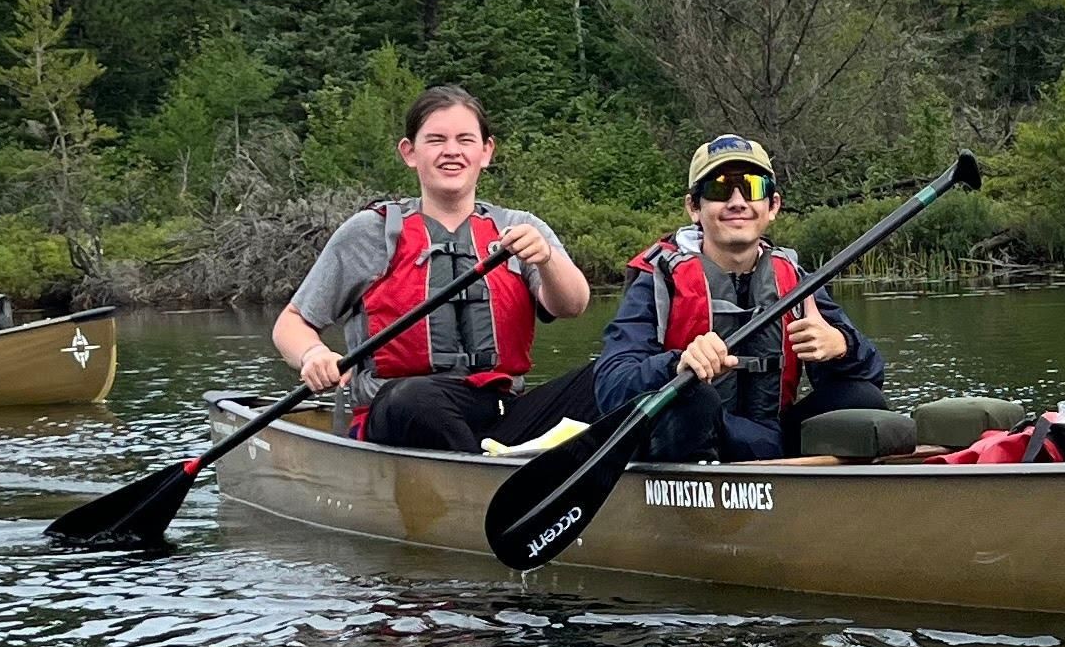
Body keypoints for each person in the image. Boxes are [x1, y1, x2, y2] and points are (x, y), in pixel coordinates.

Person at [274, 84, 598, 451]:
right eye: (436, 140)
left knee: (608, 375)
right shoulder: (370, 233)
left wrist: (547, 259)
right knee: (413, 399)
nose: (452, 152)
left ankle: (501, 465)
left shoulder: (520, 227)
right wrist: (313, 354)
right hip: (402, 411)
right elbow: (292, 323)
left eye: (465, 139)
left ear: (486, 151)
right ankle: (483, 475)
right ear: (409, 153)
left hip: (503, 413)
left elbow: (572, 305)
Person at [590, 135, 894, 463]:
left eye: (752, 187)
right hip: (689, 438)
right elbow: (610, 387)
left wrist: (841, 346)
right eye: (719, 189)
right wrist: (676, 364)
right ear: (694, 207)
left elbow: (871, 371)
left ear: (772, 205)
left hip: (772, 440)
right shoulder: (659, 281)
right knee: (695, 398)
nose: (738, 202)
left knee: (864, 398)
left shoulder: (796, 279)